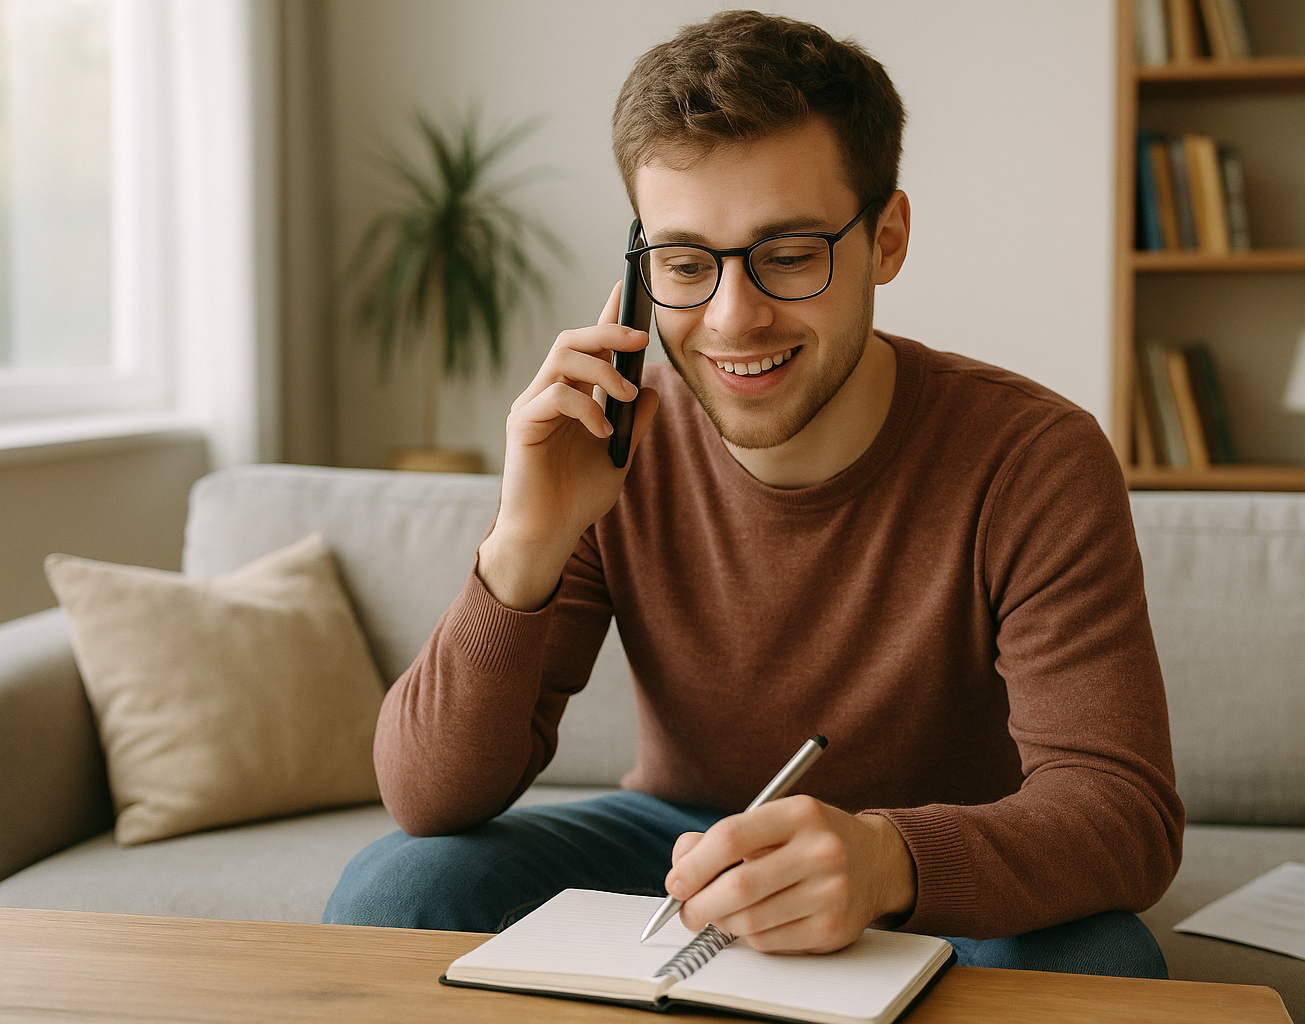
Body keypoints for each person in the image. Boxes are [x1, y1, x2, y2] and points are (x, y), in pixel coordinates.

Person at [325, 9, 1184, 978]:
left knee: (1105, 959)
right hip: (686, 844)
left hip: (941, 858)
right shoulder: (603, 444)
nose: (733, 318)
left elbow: (1125, 812)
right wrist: (525, 541)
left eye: (786, 254)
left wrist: (887, 859)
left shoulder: (1035, 456)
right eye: (686, 263)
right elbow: (429, 800)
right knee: (397, 887)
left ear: (887, 239)